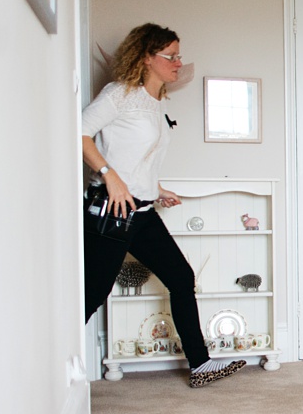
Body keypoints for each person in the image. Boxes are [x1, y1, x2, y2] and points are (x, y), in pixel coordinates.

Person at [81, 23, 245, 388]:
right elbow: (78, 132)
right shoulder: (119, 94)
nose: (177, 62)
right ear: (145, 58)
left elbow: (138, 158)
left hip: (141, 211)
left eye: (178, 55)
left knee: (181, 277)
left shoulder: (157, 103)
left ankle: (200, 365)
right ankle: (49, 365)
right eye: (170, 56)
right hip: (111, 210)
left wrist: (154, 189)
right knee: (92, 293)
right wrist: (109, 175)